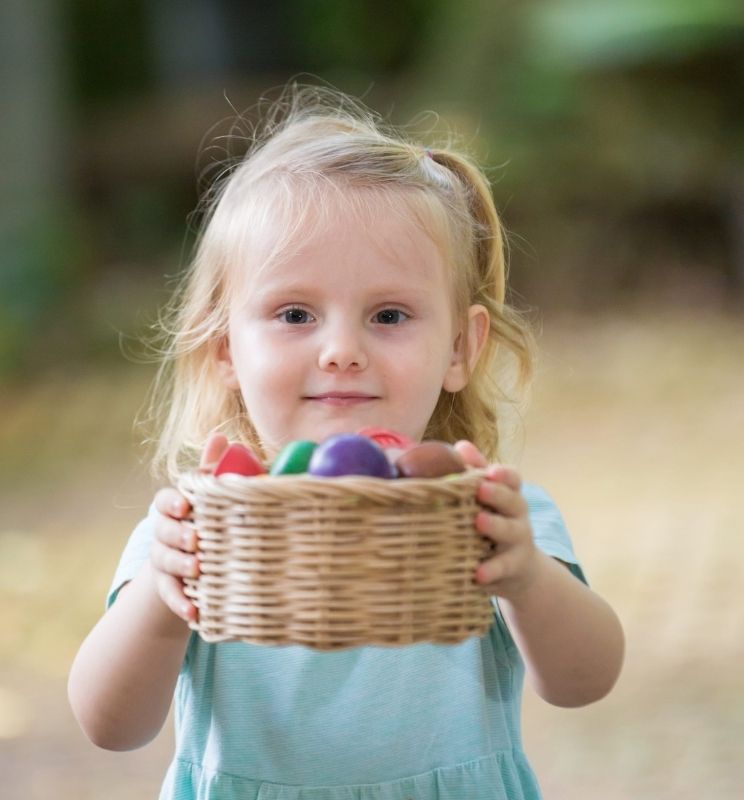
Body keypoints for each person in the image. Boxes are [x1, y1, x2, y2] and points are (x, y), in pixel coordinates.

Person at [68, 84, 624, 799]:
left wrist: (525, 579)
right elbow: (110, 725)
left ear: (460, 347)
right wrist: (159, 595)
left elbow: (584, 682)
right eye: (295, 312)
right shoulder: (199, 525)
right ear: (224, 350)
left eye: (389, 315)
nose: (341, 350)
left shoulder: (482, 512)